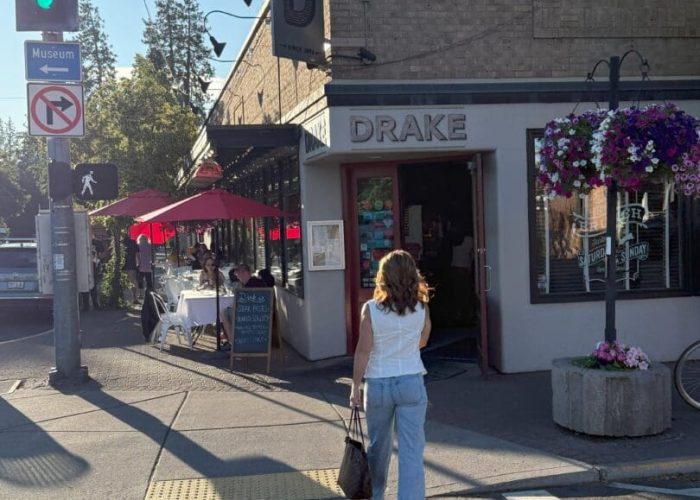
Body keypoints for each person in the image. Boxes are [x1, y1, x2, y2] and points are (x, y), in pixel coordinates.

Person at [350, 249, 432, 500]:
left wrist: (355, 386)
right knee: (411, 451)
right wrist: (402, 344)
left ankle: (376, 495)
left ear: (383, 276)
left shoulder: (371, 310)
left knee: (378, 447)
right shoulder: (421, 308)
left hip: (378, 384)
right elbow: (422, 341)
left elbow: (363, 351)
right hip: (410, 381)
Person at [219, 263, 267, 350]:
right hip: (263, 316)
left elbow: (242, 305)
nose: (237, 277)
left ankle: (232, 344)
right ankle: (230, 338)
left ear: (245, 273)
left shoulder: (249, 286)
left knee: (224, 313)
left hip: (250, 317)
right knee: (229, 311)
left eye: (238, 274)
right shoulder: (260, 282)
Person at [122, 234, 139, 305]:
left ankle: (126, 299)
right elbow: (137, 254)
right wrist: (138, 264)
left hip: (123, 265)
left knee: (124, 282)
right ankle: (134, 297)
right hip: (132, 265)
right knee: (133, 282)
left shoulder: (121, 243)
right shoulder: (134, 242)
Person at [136, 234, 153, 300]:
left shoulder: (138, 246)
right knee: (149, 280)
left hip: (141, 265)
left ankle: (141, 294)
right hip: (148, 265)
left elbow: (137, 256)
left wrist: (138, 263)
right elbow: (152, 255)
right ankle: (149, 293)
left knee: (140, 280)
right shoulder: (150, 246)